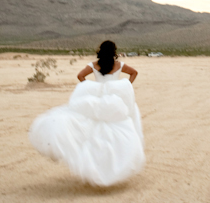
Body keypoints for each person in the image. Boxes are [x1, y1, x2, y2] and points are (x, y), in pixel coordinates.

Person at [28, 41, 144, 187]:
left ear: (100, 51)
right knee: (114, 129)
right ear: (114, 51)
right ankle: (112, 163)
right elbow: (134, 73)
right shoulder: (119, 65)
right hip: (113, 102)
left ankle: (96, 164)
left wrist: (93, 88)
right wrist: (123, 86)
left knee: (93, 130)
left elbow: (80, 76)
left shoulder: (94, 65)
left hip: (96, 101)